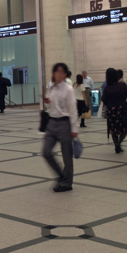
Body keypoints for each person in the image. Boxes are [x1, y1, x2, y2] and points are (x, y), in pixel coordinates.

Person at [43, 63, 79, 193]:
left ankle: (67, 183)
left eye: (62, 72)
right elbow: (49, 105)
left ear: (65, 74)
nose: (59, 74)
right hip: (52, 122)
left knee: (67, 156)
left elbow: (72, 109)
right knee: (46, 152)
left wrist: (74, 129)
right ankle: (61, 176)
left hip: (64, 123)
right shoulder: (51, 87)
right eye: (57, 71)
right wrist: (47, 102)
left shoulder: (68, 89)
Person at [102, 68, 127, 153]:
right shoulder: (122, 85)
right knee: (125, 129)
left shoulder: (107, 88)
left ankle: (116, 144)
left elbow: (104, 99)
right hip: (122, 110)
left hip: (111, 111)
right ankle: (119, 143)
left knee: (113, 130)